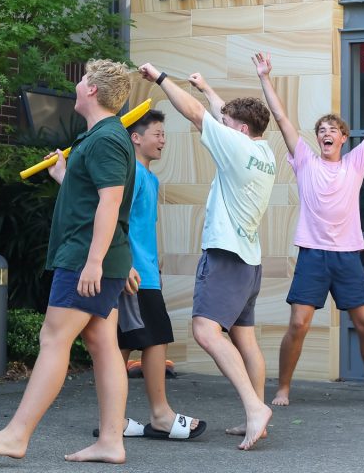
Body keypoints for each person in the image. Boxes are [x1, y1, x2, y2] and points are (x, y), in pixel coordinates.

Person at [0, 59, 136, 463]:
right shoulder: (98, 138)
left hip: (84, 259)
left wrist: (95, 262)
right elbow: (92, 197)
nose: (77, 84)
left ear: (92, 90)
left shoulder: (106, 139)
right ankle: (111, 441)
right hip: (93, 256)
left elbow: (111, 203)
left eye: (82, 79)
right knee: (102, 344)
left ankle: (17, 435)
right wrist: (65, 176)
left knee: (54, 339)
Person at [252, 52, 364, 407]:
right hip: (313, 255)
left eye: (332, 130)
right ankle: (283, 389)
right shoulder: (304, 161)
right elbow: (281, 118)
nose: (326, 133)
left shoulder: (355, 163)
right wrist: (265, 77)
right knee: (298, 324)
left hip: (347, 256)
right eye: (321, 130)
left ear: (343, 138)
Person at [137, 63, 275, 451]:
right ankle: (256, 414)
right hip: (249, 261)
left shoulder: (237, 146)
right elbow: (219, 112)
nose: (220, 125)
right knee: (245, 339)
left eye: (227, 124)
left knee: (204, 331)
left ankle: (255, 409)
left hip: (225, 256)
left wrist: (161, 78)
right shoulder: (262, 151)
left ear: (240, 130)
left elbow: (198, 114)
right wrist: (207, 86)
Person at [112, 109, 206, 440]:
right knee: (153, 339)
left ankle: (114, 420)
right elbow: (112, 220)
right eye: (157, 134)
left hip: (147, 273)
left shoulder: (150, 179)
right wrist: (124, 264)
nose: (163, 140)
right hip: (134, 274)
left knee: (126, 344)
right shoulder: (133, 175)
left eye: (164, 134)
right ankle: (159, 416)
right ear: (136, 138)